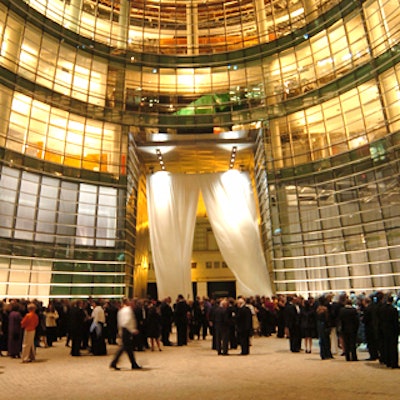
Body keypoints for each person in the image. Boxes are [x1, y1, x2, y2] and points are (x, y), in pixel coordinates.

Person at [110, 298, 141, 370]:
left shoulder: (122, 311)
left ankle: (133, 364)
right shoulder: (128, 311)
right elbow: (128, 321)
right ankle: (114, 362)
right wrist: (133, 330)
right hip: (127, 330)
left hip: (124, 330)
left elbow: (120, 322)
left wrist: (120, 331)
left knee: (128, 348)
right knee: (125, 347)